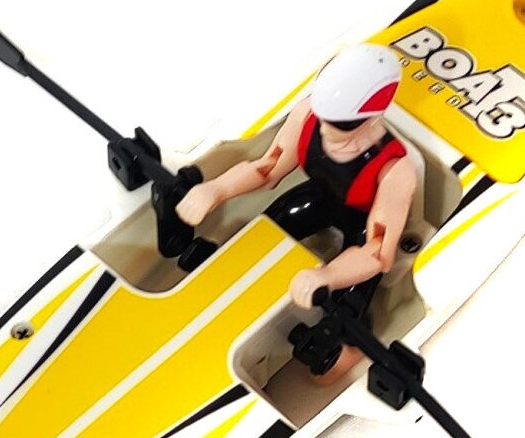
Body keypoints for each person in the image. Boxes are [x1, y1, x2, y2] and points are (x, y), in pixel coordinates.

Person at [175, 43, 418, 382]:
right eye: (323, 114)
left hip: (362, 226)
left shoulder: (394, 169)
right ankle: (229, 269)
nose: (326, 130)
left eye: (342, 124)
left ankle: (348, 346)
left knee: (351, 298)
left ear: (372, 116)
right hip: (320, 197)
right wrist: (217, 189)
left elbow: (378, 252)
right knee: (271, 225)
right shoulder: (307, 115)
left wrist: (328, 276)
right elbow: (268, 168)